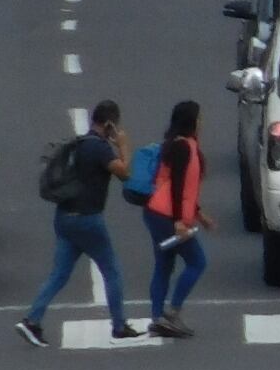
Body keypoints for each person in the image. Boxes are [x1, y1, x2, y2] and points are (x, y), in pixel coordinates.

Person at [18, 98, 140, 346]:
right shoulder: (100, 149)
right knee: (112, 271)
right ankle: (119, 326)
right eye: (115, 126)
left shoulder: (79, 144)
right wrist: (124, 146)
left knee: (60, 274)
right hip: (88, 220)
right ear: (109, 124)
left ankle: (32, 319)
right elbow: (125, 173)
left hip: (64, 218)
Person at [141, 99, 214, 339]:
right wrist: (179, 222)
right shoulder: (184, 147)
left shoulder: (177, 144)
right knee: (197, 262)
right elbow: (178, 187)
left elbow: (183, 187)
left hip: (155, 212)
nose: (202, 122)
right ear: (191, 121)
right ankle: (172, 312)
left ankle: (157, 317)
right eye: (199, 117)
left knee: (164, 265)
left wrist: (198, 213)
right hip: (166, 215)